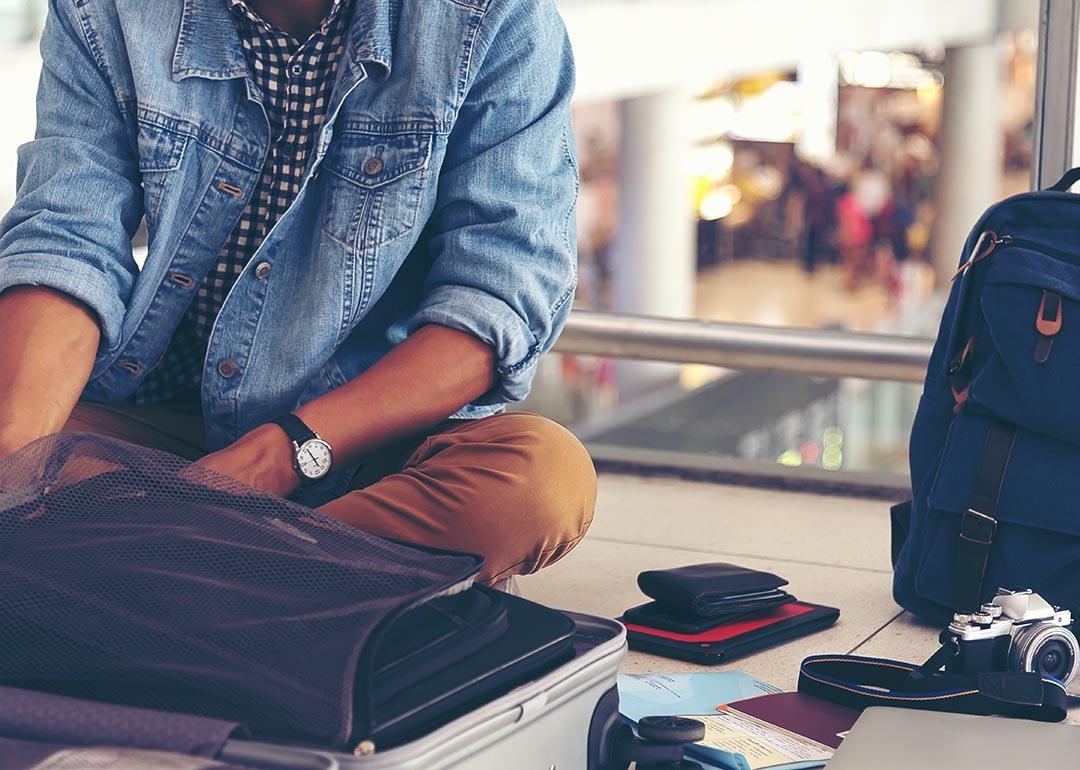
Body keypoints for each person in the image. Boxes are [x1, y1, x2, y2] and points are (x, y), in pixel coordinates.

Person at [0, 0, 594, 586]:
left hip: (374, 440)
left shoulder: (494, 20)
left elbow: (494, 301)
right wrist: (20, 458)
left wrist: (281, 455)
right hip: (160, 425)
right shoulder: (103, 11)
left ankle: (134, 569)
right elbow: (66, 238)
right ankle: (274, 581)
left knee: (541, 482)